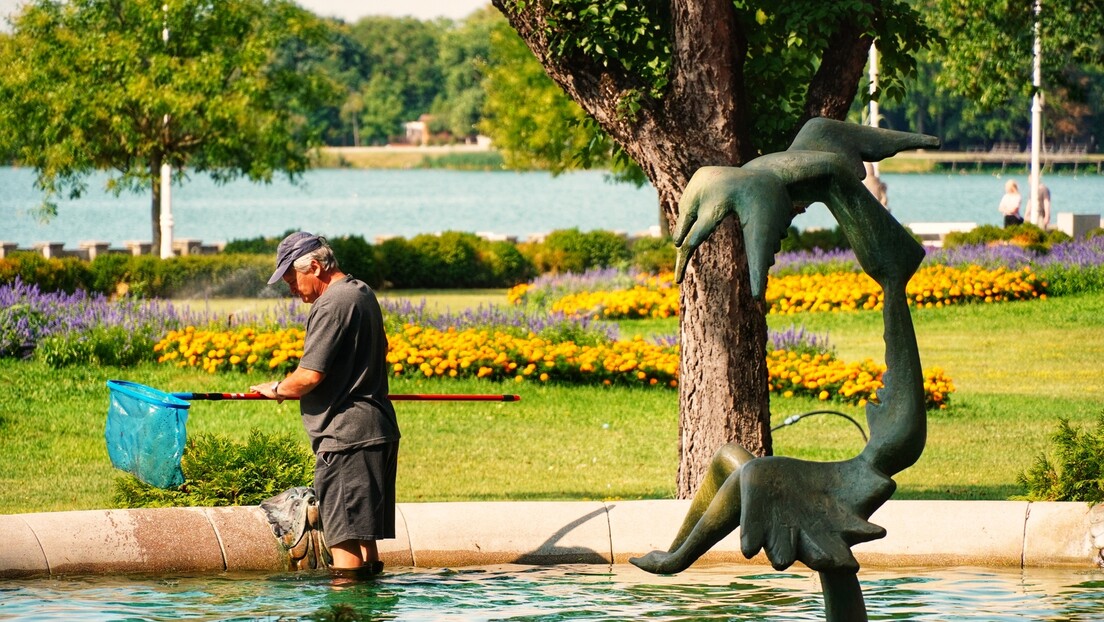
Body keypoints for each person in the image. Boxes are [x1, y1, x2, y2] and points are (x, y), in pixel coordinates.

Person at [251, 231, 399, 582]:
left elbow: (309, 375)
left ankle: (344, 611)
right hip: (377, 430)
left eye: (291, 280)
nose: (291, 289)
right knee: (364, 538)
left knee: (343, 537)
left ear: (314, 266)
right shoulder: (361, 292)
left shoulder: (332, 303)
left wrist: (276, 389)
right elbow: (385, 348)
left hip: (345, 437)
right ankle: (370, 612)